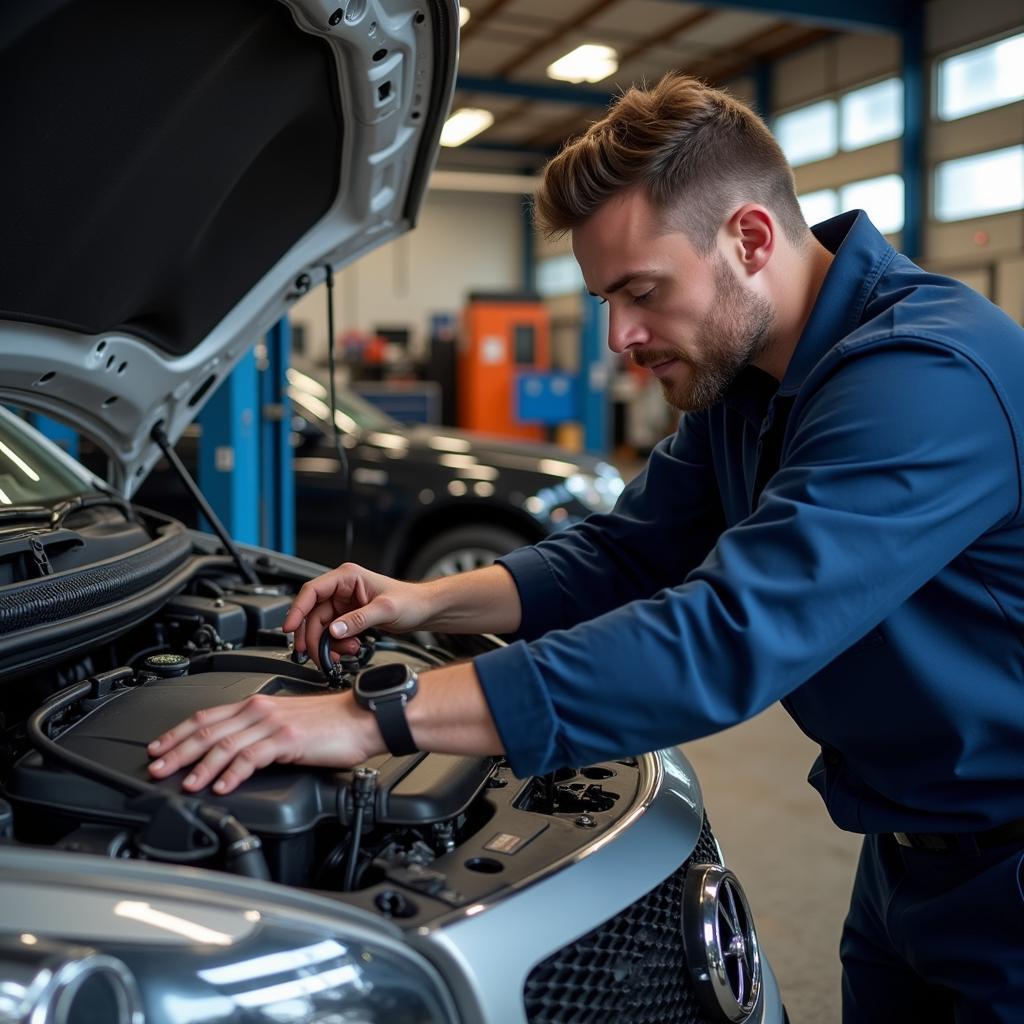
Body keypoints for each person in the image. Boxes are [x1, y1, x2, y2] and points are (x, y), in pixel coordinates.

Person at [148, 72, 1024, 1021]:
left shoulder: (925, 380)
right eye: (606, 298)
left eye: (641, 292)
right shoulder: (746, 384)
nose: (620, 336)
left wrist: (375, 719)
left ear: (751, 238)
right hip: (904, 856)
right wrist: (424, 601)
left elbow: (726, 634)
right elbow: (621, 552)